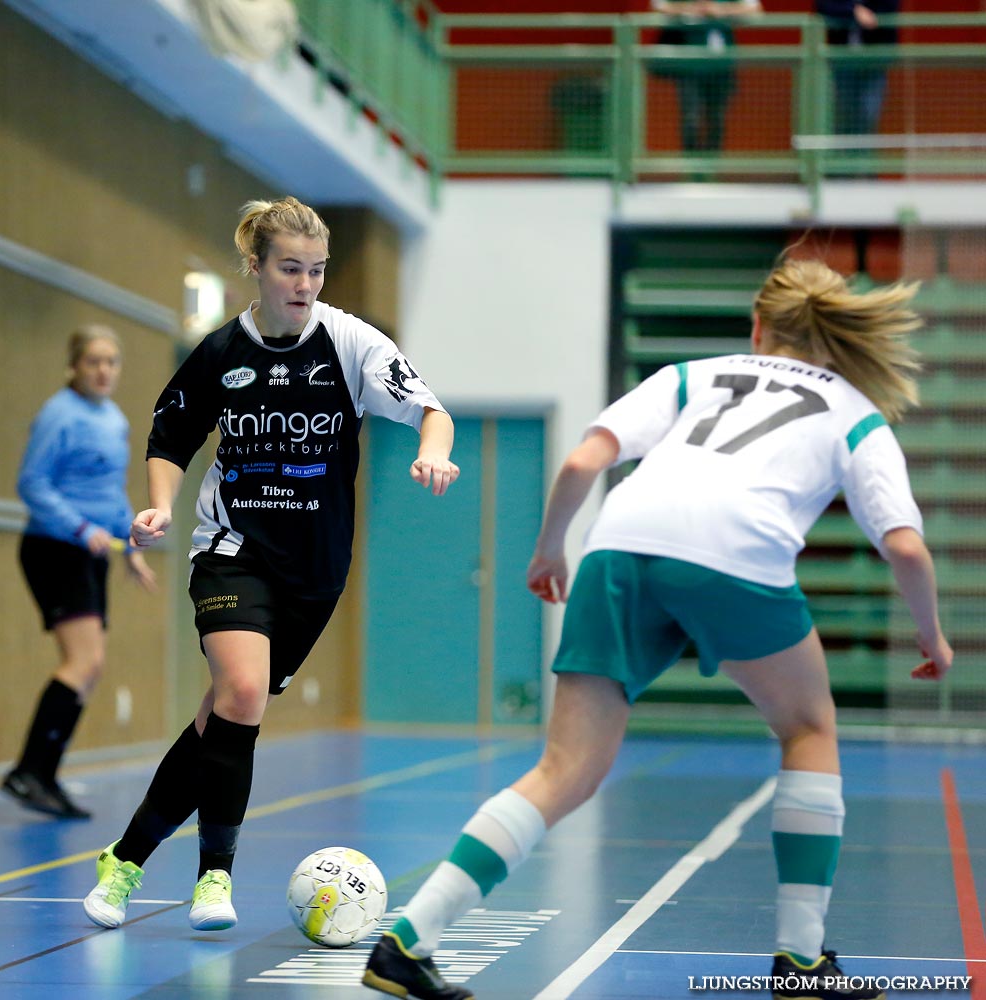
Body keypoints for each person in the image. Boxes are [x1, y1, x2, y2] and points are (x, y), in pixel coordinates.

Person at [361, 257, 952, 1000]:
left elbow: (583, 459)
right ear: (830, 340)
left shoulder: (689, 375)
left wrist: (550, 548)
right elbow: (903, 545)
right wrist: (932, 636)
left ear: (757, 327)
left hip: (620, 543)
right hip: (737, 553)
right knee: (809, 728)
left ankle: (408, 940)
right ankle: (802, 962)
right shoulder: (854, 412)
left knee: (563, 769)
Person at [82, 196, 459, 933]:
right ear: (255, 268)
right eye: (290, 268)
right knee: (245, 693)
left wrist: (432, 451)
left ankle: (123, 859)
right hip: (232, 550)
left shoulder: (350, 344)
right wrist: (159, 505)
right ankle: (213, 878)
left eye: (316, 270)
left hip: (314, 573)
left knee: (219, 720)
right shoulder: (223, 354)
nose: (305, 284)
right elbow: (169, 437)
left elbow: (431, 411)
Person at [3, 325, 156, 820]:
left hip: (93, 550)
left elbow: (110, 490)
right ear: (74, 366)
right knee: (83, 662)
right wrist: (77, 527)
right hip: (55, 548)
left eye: (111, 361)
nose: (104, 370)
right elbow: (32, 483)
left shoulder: (112, 419)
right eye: (93, 361)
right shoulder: (59, 415)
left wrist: (129, 545)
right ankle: (28, 772)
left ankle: (43, 775)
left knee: (90, 671)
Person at [651, 0, 764, 157]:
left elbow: (754, 11)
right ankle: (691, 169)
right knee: (691, 119)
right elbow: (659, 7)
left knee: (716, 119)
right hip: (689, 67)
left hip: (721, 67)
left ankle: (712, 168)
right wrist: (689, 9)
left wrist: (720, 10)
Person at [816, 0, 899, 142]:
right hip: (842, 61)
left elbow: (888, 7)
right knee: (843, 112)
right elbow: (824, 5)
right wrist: (853, 10)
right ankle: (841, 159)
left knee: (869, 112)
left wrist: (865, 14)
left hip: (874, 60)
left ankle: (863, 159)